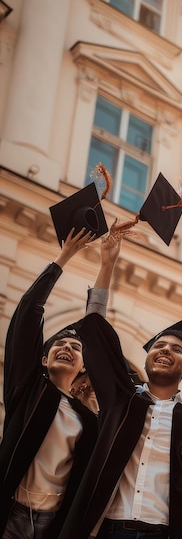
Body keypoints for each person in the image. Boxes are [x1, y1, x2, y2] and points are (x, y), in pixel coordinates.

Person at [59, 231, 182, 539]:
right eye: (159, 345)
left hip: (166, 533)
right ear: (146, 360)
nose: (165, 350)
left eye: (176, 349)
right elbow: (95, 335)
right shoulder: (120, 399)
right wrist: (106, 264)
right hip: (109, 529)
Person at [0, 227, 99, 539]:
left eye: (76, 347)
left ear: (83, 367)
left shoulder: (86, 420)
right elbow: (28, 313)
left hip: (50, 525)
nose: (67, 347)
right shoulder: (26, 389)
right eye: (59, 343)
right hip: (9, 513)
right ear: (43, 359)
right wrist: (63, 257)